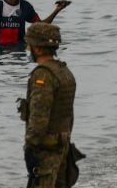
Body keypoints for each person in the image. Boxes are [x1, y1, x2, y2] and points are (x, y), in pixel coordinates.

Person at [19, 23, 76, 188]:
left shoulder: (43, 75)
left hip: (45, 151)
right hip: (62, 147)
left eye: (30, 45)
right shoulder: (65, 72)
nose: (28, 49)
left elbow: (39, 116)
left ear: (38, 48)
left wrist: (30, 146)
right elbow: (68, 114)